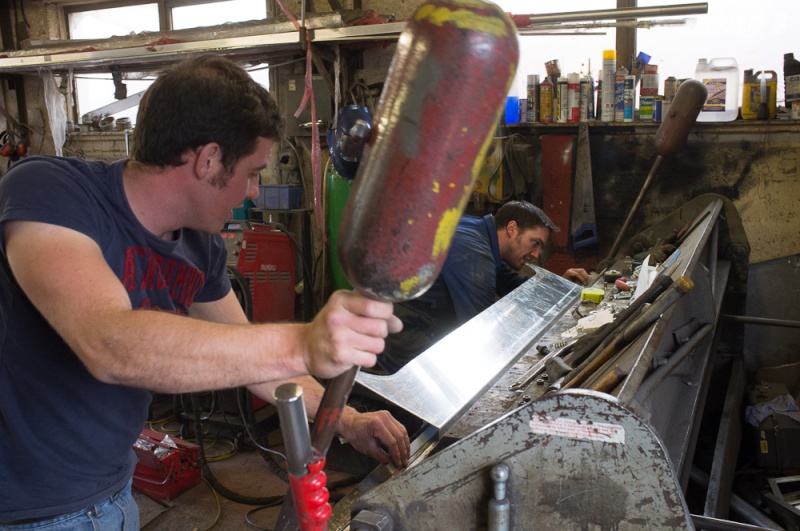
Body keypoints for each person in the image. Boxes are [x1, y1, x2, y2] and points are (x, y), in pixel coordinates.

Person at [0, 55, 409, 528]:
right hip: (26, 510)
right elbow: (108, 344)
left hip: (112, 494)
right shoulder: (51, 192)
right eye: (253, 171)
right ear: (208, 160)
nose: (255, 191)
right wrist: (305, 341)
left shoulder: (200, 245)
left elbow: (261, 367)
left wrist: (348, 421)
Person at [378, 200, 590, 374]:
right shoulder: (476, 257)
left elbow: (517, 289)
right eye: (534, 243)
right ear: (512, 229)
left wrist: (560, 289)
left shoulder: (479, 232)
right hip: (397, 338)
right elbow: (481, 332)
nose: (536, 255)